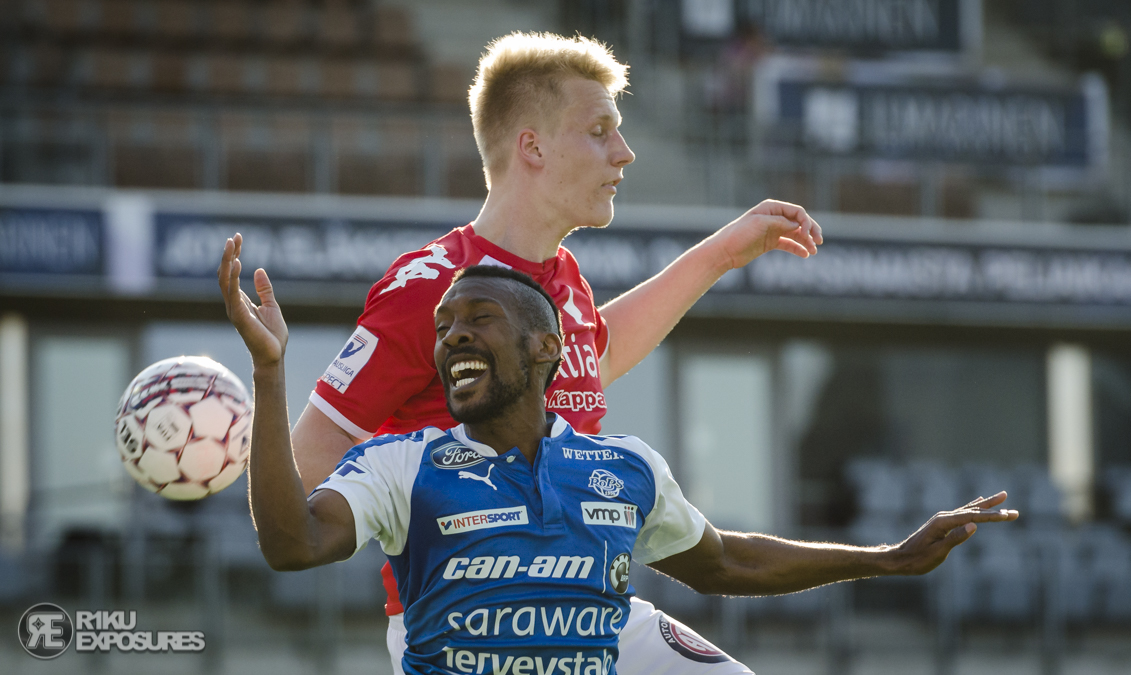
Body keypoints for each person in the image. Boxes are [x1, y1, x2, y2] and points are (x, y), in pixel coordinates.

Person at [220, 31, 824, 675]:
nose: (624, 153)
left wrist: (727, 250)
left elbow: (596, 355)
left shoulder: (563, 278)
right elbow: (311, 468)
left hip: (593, 611)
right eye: (599, 130)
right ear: (531, 146)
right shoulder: (428, 289)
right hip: (470, 625)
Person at [221, 262, 1019, 675]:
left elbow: (726, 560)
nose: (453, 335)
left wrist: (886, 558)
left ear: (546, 348)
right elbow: (292, 542)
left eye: (479, 319)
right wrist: (268, 374)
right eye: (444, 325)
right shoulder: (403, 466)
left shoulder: (624, 468)